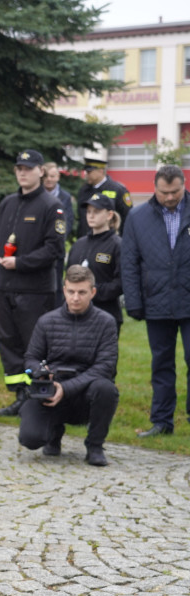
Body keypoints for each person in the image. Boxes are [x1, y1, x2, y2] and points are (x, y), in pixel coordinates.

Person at [0, 149, 65, 417]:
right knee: (9, 344)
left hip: (35, 291)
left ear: (41, 171)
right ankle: (21, 396)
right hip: (6, 287)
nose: (23, 172)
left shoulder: (51, 205)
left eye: (28, 168)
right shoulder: (7, 203)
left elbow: (54, 249)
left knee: (34, 345)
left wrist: (20, 263)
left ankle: (36, 396)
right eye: (19, 167)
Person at [18, 265, 119, 466]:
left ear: (93, 292)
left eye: (82, 292)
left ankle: (95, 445)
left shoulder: (106, 322)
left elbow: (106, 366)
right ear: (63, 290)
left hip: (85, 392)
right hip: (51, 388)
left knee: (106, 388)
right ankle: (53, 434)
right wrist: (40, 371)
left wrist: (66, 389)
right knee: (29, 439)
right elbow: (30, 358)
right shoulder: (47, 321)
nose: (75, 298)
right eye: (71, 291)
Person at [121, 165, 190, 438]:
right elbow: (129, 262)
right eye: (164, 192)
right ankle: (162, 422)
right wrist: (134, 302)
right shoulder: (137, 217)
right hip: (157, 302)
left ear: (184, 185)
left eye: (175, 192)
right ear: (155, 188)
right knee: (161, 363)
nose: (170, 197)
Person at [67, 193, 122, 334]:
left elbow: (122, 282)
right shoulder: (79, 244)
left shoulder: (118, 245)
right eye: (89, 212)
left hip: (106, 313)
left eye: (96, 212)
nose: (91, 216)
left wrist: (93, 292)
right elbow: (68, 276)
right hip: (76, 313)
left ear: (109, 215)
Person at [76, 150, 131, 238]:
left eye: (89, 172)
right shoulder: (84, 190)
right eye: (86, 172)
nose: (86, 175)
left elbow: (127, 216)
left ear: (101, 171)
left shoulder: (117, 189)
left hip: (109, 240)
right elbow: (81, 218)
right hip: (87, 240)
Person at [43, 161, 75, 307]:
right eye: (46, 176)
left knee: (56, 282)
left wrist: (57, 238)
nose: (49, 179)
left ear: (58, 177)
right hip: (40, 246)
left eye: (53, 176)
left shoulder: (65, 197)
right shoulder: (38, 195)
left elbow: (68, 220)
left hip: (57, 248)